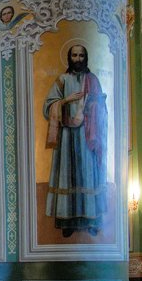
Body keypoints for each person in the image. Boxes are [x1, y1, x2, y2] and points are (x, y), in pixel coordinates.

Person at [43, 43, 107, 237]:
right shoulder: (62, 80)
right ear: (69, 58)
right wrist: (66, 100)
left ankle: (92, 220)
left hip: (87, 135)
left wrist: (93, 105)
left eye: (81, 56)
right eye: (74, 56)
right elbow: (48, 107)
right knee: (67, 175)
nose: (78, 59)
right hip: (66, 138)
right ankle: (67, 222)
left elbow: (101, 107)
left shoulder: (93, 80)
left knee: (88, 175)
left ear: (85, 58)